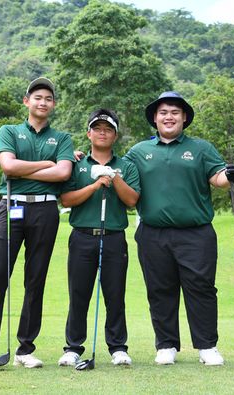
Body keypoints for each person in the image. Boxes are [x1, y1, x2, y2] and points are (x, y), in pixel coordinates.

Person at [0, 77, 74, 370]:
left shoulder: (61, 138)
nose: (43, 102)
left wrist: (32, 170)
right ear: (27, 101)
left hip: (46, 211)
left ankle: (26, 349)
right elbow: (8, 166)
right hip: (10, 207)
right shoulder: (8, 131)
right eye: (37, 97)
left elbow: (63, 173)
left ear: (53, 105)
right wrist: (46, 165)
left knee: (35, 280)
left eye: (48, 98)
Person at [123, 91, 234, 366]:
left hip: (196, 233)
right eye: (163, 112)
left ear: (184, 117)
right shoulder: (139, 151)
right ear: (155, 118)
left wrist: (230, 174)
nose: (169, 117)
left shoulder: (201, 148)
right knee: (160, 289)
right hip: (153, 233)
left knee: (201, 288)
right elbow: (118, 171)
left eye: (175, 112)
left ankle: (207, 346)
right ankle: (166, 345)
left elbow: (218, 178)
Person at [57, 109, 140, 367]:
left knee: (115, 294)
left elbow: (131, 200)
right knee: (79, 294)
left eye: (108, 128)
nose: (102, 132)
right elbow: (66, 199)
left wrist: (113, 177)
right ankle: (73, 347)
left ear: (115, 135)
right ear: (89, 133)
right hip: (82, 237)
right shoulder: (77, 165)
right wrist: (94, 185)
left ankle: (118, 347)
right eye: (98, 128)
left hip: (114, 237)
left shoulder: (126, 166)